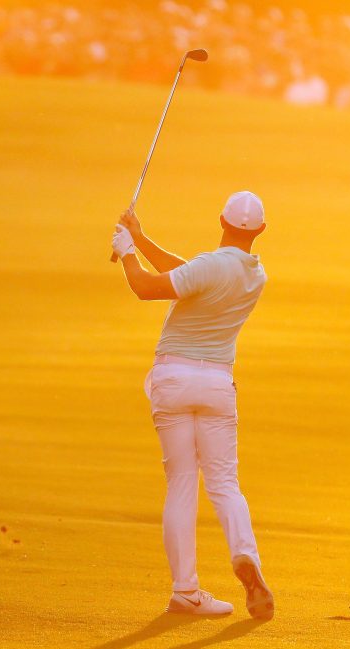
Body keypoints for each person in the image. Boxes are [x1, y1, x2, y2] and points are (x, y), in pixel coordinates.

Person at [109, 191, 274, 619]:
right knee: (224, 483)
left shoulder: (207, 266)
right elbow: (187, 274)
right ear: (260, 230)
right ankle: (245, 554)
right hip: (217, 383)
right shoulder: (255, 276)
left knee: (182, 483)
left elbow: (147, 288)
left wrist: (127, 252)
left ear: (221, 220)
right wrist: (140, 240)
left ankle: (186, 591)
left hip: (174, 379)